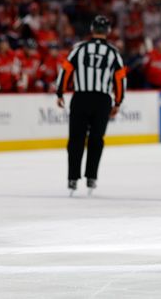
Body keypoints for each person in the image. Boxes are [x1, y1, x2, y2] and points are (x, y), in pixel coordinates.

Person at [56, 15, 127, 195]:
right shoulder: (113, 52)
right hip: (102, 100)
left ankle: (72, 178)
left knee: (76, 140)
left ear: (91, 29)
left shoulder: (78, 49)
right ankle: (91, 177)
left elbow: (65, 71)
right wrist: (118, 101)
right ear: (108, 31)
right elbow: (120, 80)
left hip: (81, 98)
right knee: (96, 140)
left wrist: (60, 92)